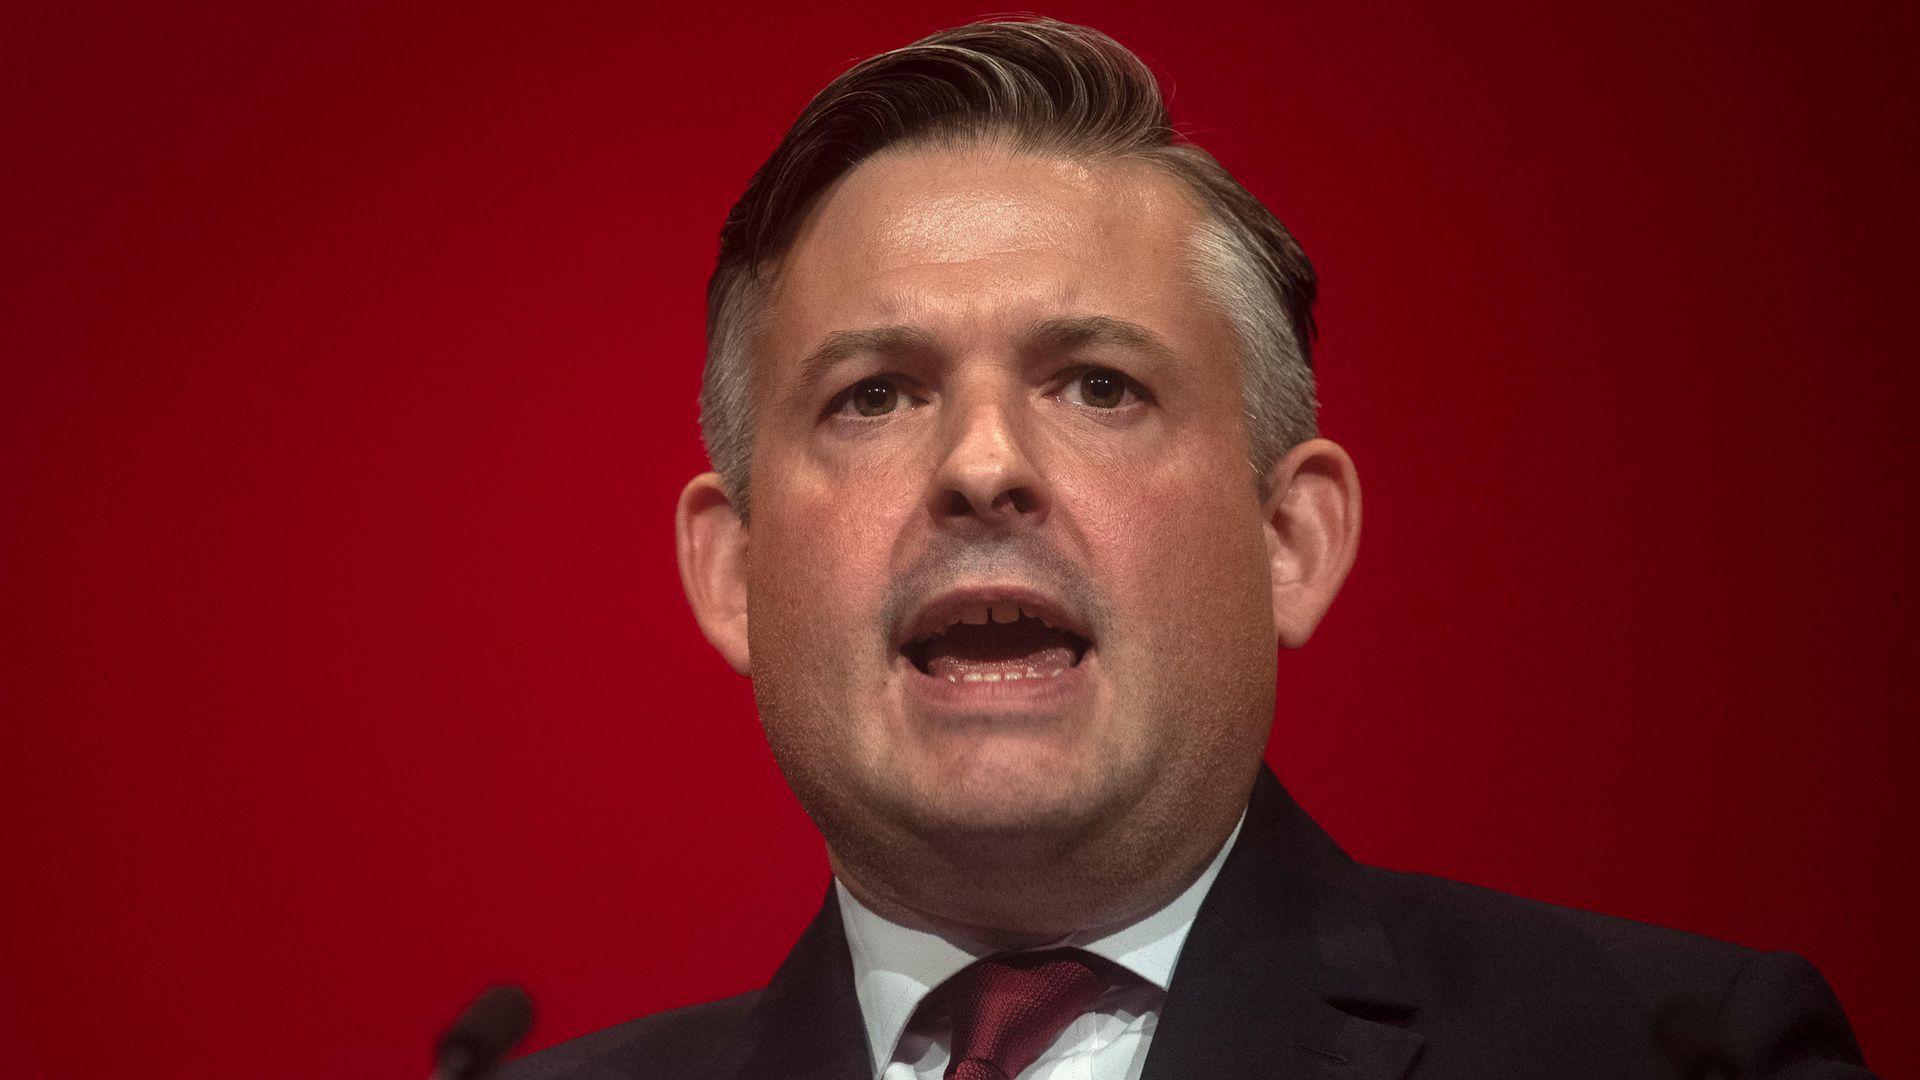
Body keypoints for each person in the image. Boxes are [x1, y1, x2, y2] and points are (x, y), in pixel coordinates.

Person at [502, 18, 1871, 1080]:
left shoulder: (1667, 1053)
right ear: (732, 573)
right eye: (876, 395)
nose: (984, 467)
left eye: (1099, 384)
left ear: (1292, 537)